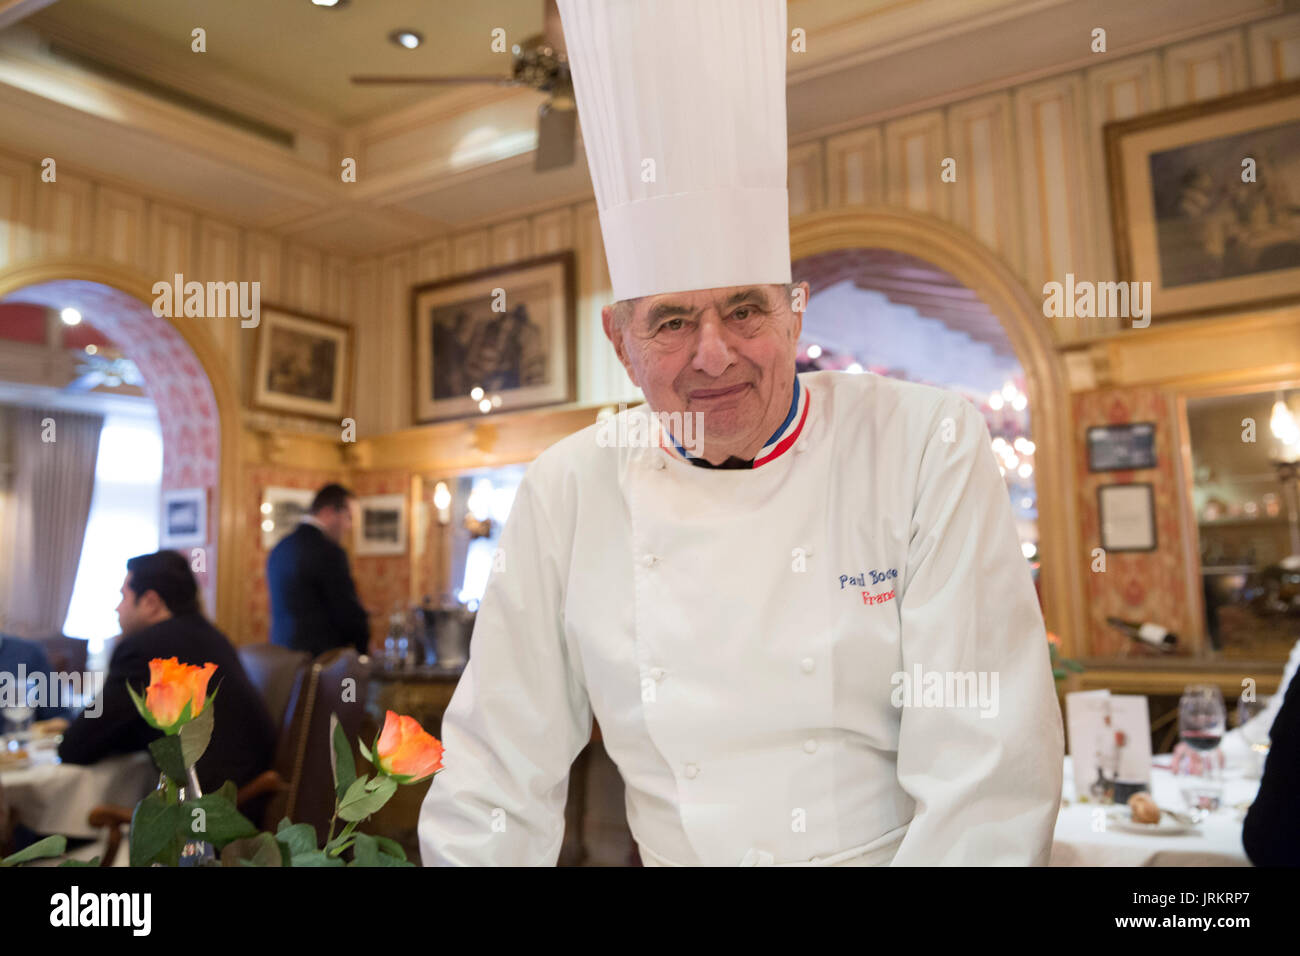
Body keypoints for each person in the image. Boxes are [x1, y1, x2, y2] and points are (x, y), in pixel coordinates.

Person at [418, 0, 1063, 867]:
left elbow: (987, 772)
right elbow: (497, 766)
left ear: (795, 318)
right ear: (620, 342)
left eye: (746, 309)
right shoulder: (569, 487)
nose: (714, 354)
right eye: (673, 320)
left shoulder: (922, 443)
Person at [58, 551, 275, 798]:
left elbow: (75, 747)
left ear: (150, 602)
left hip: (205, 811)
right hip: (250, 793)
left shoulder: (142, 649)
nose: (117, 608)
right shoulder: (212, 636)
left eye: (123, 597)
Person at [266, 483, 370, 656]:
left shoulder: (280, 548)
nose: (349, 526)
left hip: (281, 658)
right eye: (348, 517)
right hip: (320, 663)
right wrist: (363, 651)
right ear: (329, 512)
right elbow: (347, 614)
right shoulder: (329, 552)